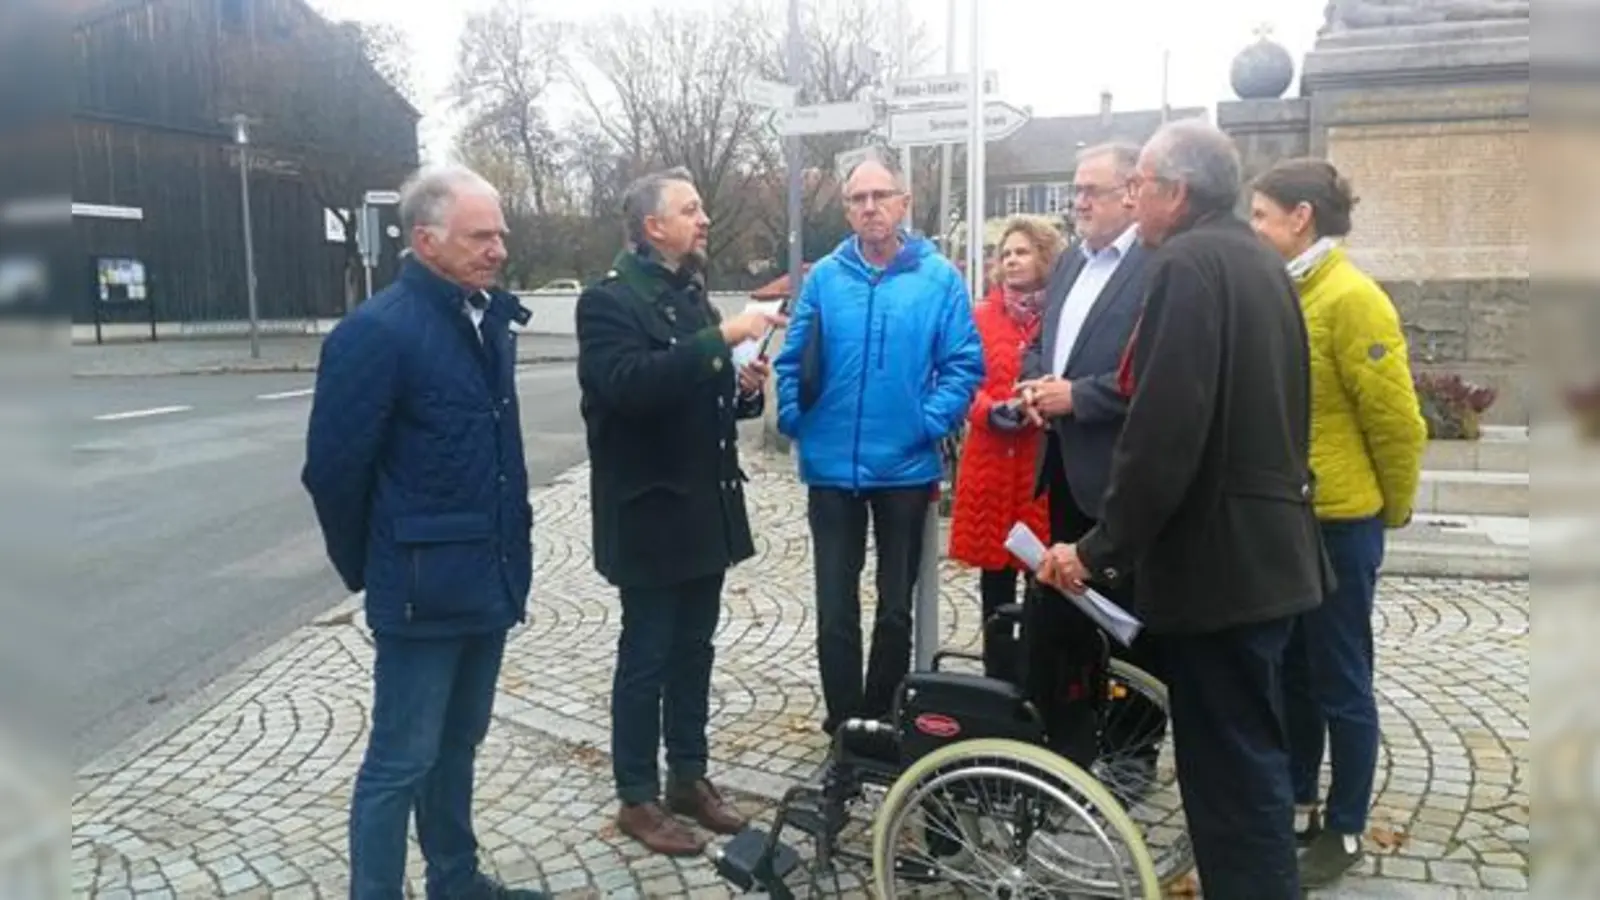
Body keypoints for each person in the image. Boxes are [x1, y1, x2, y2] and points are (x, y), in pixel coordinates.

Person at [1034, 119, 1327, 899]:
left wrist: (1097, 549)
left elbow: (1164, 433)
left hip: (1220, 568)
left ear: (1177, 192)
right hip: (1269, 554)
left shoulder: (1188, 267)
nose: (1131, 201)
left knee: (1229, 781)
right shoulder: (1259, 262)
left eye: (1140, 187)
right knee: (1253, 763)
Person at [302, 164, 546, 900]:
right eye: (481, 235)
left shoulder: (488, 319)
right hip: (420, 592)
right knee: (400, 760)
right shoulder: (376, 334)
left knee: (459, 745)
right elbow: (335, 472)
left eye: (501, 232)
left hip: (489, 575)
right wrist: (377, 570)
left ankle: (455, 880)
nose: (498, 247)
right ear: (425, 240)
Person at [574, 166, 783, 857]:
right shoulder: (606, 303)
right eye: (690, 211)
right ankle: (637, 795)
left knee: (694, 651)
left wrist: (744, 386)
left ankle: (687, 778)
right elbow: (629, 387)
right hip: (649, 513)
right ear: (651, 226)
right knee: (647, 656)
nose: (705, 220)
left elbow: (702, 390)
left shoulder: (687, 293)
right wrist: (721, 341)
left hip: (702, 508)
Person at [1249, 158, 1427, 888]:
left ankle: (1347, 824)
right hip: (1290, 515)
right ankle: (1298, 796)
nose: (1253, 228)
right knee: (1293, 669)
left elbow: (1396, 420)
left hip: (1341, 521)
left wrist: (1393, 506)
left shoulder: (1352, 298)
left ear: (1301, 218)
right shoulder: (1287, 290)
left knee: (1340, 677)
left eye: (1262, 215)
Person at [774, 158, 983, 734]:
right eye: (858, 198)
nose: (870, 207)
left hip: (904, 468)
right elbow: (792, 359)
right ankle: (844, 725)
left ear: (903, 202)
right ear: (846, 210)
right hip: (831, 467)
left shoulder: (937, 277)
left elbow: (964, 364)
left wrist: (926, 421)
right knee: (835, 610)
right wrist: (797, 419)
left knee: (896, 609)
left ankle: (882, 717)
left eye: (880, 196)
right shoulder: (825, 278)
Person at [1015, 142, 1162, 773]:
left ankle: (1133, 751)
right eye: (1074, 191)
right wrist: (1032, 385)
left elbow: (1155, 378)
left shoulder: (1157, 266)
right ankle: (1075, 738)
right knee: (1075, 610)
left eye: (1090, 191)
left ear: (1132, 192)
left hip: (1122, 473)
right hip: (1066, 470)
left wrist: (1079, 396)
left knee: (1132, 622)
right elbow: (1045, 345)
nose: (1077, 203)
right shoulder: (1073, 261)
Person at [946, 216, 1061, 681]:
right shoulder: (980, 317)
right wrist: (988, 410)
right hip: (992, 464)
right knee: (994, 583)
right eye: (1005, 253)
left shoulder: (1060, 315)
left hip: (1039, 467)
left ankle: (1038, 683)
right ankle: (998, 682)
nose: (1011, 260)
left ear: (1044, 257)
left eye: (1022, 251)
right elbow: (958, 381)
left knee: (1043, 583)